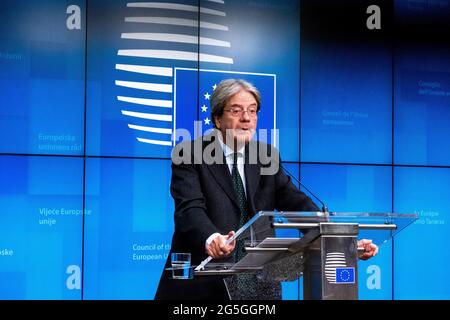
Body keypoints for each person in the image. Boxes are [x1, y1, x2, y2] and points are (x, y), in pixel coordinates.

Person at [154, 79, 378, 300]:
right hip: (203, 284)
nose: (246, 119)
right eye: (236, 110)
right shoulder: (189, 154)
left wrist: (338, 242)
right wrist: (212, 238)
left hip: (257, 285)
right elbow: (189, 210)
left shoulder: (266, 156)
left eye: (252, 111)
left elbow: (297, 204)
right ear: (217, 119)